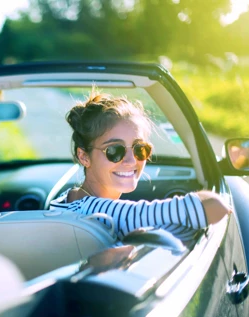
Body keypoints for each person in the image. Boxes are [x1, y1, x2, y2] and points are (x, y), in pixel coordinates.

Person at [50, 90, 231, 242]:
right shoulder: (108, 215)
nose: (131, 161)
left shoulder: (64, 201)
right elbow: (214, 206)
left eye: (140, 148)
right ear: (84, 156)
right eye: (114, 150)